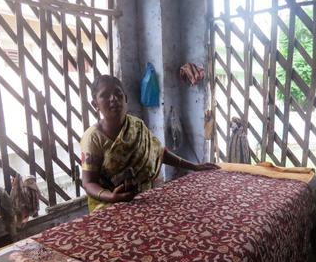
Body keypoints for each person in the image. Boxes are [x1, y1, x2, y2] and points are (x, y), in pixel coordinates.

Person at [81, 75, 219, 213]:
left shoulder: (137, 125)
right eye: (105, 95)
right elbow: (88, 182)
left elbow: (159, 152)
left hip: (142, 201)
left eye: (118, 93)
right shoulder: (93, 138)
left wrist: (194, 167)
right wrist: (112, 197)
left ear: (126, 98)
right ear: (95, 105)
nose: (113, 99)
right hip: (107, 208)